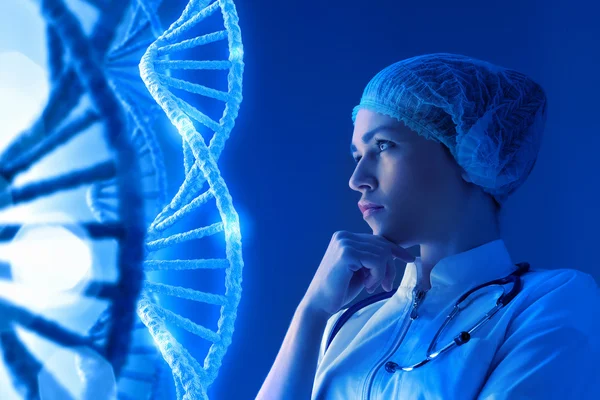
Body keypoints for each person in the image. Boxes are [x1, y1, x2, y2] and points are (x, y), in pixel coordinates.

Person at [256, 53, 600, 400]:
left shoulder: (551, 301)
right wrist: (310, 313)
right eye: (357, 156)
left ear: (470, 149)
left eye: (383, 146)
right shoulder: (344, 327)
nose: (357, 179)